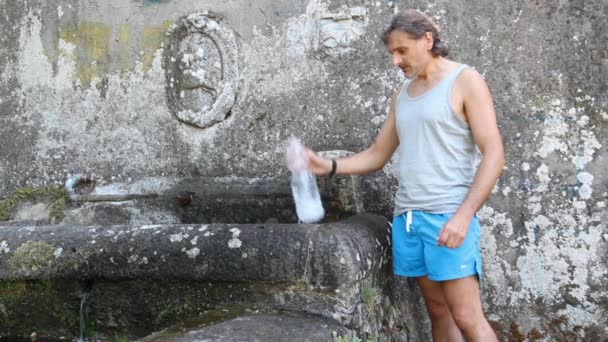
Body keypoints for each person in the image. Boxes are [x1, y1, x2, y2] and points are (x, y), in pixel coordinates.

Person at [306, 9, 504, 342]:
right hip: (409, 219)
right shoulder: (404, 94)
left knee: (468, 318)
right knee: (438, 313)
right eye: (392, 53)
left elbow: (494, 153)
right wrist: (330, 166)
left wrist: (463, 217)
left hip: (448, 216)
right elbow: (378, 155)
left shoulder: (466, 80)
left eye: (402, 51)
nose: (395, 61)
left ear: (427, 40)